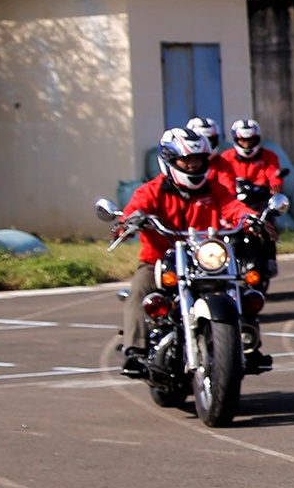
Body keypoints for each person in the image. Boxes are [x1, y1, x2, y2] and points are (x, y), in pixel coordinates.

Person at [114, 128, 262, 377]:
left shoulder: (214, 189)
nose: (193, 165)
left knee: (240, 290)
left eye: (198, 159)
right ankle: (135, 351)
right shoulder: (151, 190)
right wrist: (128, 223)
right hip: (160, 260)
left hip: (205, 260)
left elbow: (233, 207)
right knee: (139, 289)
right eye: (186, 160)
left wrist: (251, 218)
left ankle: (248, 344)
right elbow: (134, 209)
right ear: (170, 160)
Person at [213, 118, 284, 280]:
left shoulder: (268, 156)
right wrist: (230, 192)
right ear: (236, 140)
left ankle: (270, 259)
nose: (246, 144)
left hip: (260, 201)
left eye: (250, 140)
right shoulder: (226, 157)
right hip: (236, 202)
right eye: (243, 140)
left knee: (267, 223)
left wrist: (275, 185)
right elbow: (224, 178)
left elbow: (274, 174)